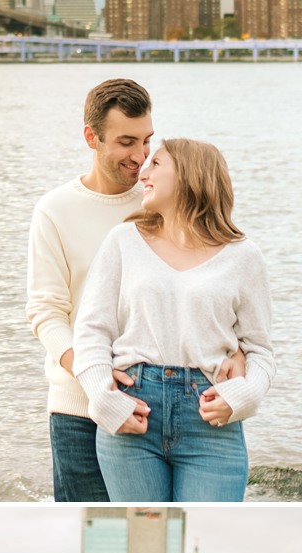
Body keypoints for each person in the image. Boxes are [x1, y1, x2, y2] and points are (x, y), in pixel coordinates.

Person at [27, 78, 244, 502]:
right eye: (126, 142)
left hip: (159, 402)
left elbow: (213, 280)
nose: (141, 156)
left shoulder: (162, 199)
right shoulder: (54, 211)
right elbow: (46, 312)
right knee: (93, 527)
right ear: (91, 137)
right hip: (76, 406)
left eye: (147, 141)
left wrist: (234, 349)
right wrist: (94, 375)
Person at [71, 136, 274, 502]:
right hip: (133, 410)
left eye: (156, 164)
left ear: (190, 175)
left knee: (206, 535)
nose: (143, 173)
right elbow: (91, 331)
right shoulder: (123, 241)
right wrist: (103, 398)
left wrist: (243, 395)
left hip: (211, 418)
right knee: (144, 539)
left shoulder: (244, 257)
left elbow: (260, 351)